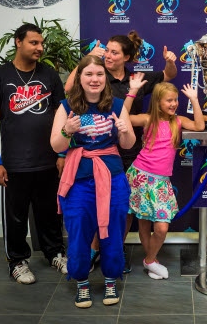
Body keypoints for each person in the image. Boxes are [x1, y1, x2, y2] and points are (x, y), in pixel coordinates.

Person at [65, 31, 177, 273]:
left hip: (134, 153)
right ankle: (95, 251)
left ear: (126, 57)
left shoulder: (137, 77)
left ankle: (113, 252)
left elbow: (169, 75)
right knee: (99, 205)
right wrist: (86, 59)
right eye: (106, 50)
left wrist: (169, 60)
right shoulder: (98, 76)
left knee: (123, 210)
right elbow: (68, 88)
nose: (108, 55)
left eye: (114, 52)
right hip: (103, 151)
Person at [0, 23, 68, 285]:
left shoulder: (49, 75)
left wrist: (62, 153)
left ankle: (55, 253)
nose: (40, 48)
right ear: (18, 42)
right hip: (15, 163)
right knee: (16, 216)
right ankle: (17, 261)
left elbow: (61, 116)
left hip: (49, 160)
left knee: (50, 213)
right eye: (34, 43)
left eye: (42, 43)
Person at [51, 55, 136, 308]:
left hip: (113, 179)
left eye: (99, 74)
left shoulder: (117, 105)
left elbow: (128, 144)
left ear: (105, 78)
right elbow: (56, 145)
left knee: (113, 233)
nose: (94, 79)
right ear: (80, 78)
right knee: (78, 234)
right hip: (78, 181)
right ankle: (82, 283)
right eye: (88, 74)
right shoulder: (66, 106)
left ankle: (111, 280)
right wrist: (68, 130)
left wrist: (125, 130)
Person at [124, 80, 205, 279]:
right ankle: (151, 261)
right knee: (143, 221)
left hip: (160, 181)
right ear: (158, 102)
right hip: (139, 176)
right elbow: (124, 117)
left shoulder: (178, 121)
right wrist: (132, 91)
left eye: (175, 100)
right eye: (169, 100)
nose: (173, 104)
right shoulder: (148, 119)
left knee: (160, 227)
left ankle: (149, 259)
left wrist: (194, 100)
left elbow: (199, 126)